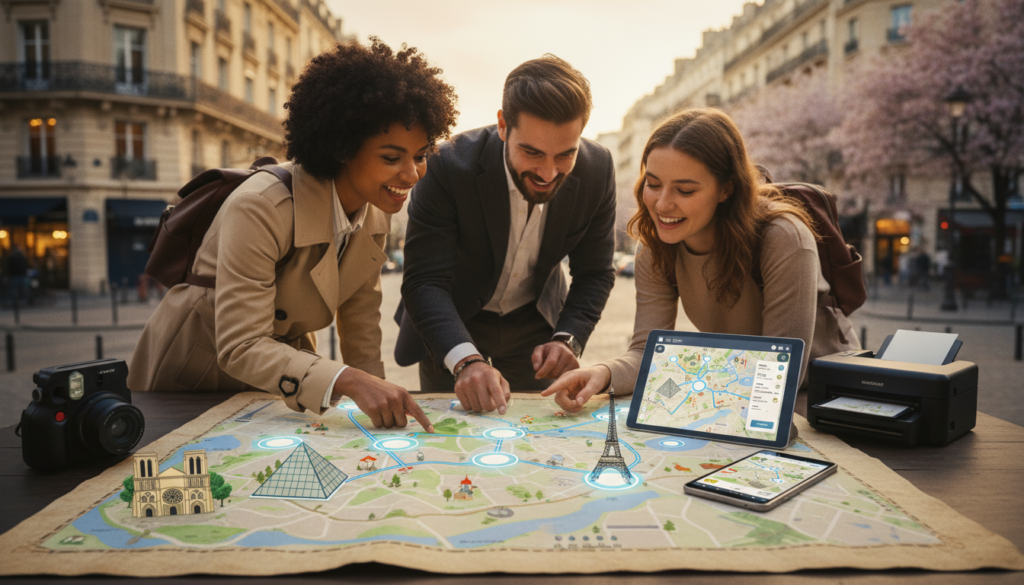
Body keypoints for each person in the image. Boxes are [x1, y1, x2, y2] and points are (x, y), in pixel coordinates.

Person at [128, 39, 458, 430]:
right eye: (391, 157)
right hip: (194, 379)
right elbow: (241, 346)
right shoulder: (262, 206)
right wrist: (348, 380)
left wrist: (381, 401)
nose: (412, 174)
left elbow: (362, 329)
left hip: (280, 381)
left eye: (420, 155)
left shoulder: (375, 213)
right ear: (342, 147)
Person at [543, 108, 859, 412]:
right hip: (740, 393)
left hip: (827, 400)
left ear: (726, 190)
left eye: (685, 190)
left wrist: (678, 387)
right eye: (653, 184)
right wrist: (603, 374)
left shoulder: (784, 238)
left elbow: (778, 373)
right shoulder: (656, 249)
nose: (662, 204)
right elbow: (645, 353)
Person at [395, 55, 617, 414]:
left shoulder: (598, 170)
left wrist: (567, 341)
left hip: (536, 329)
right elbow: (424, 281)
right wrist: (466, 361)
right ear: (502, 125)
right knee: (454, 441)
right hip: (452, 320)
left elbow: (595, 273)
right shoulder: (446, 165)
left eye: (565, 155)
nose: (548, 173)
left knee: (538, 437)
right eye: (531, 152)